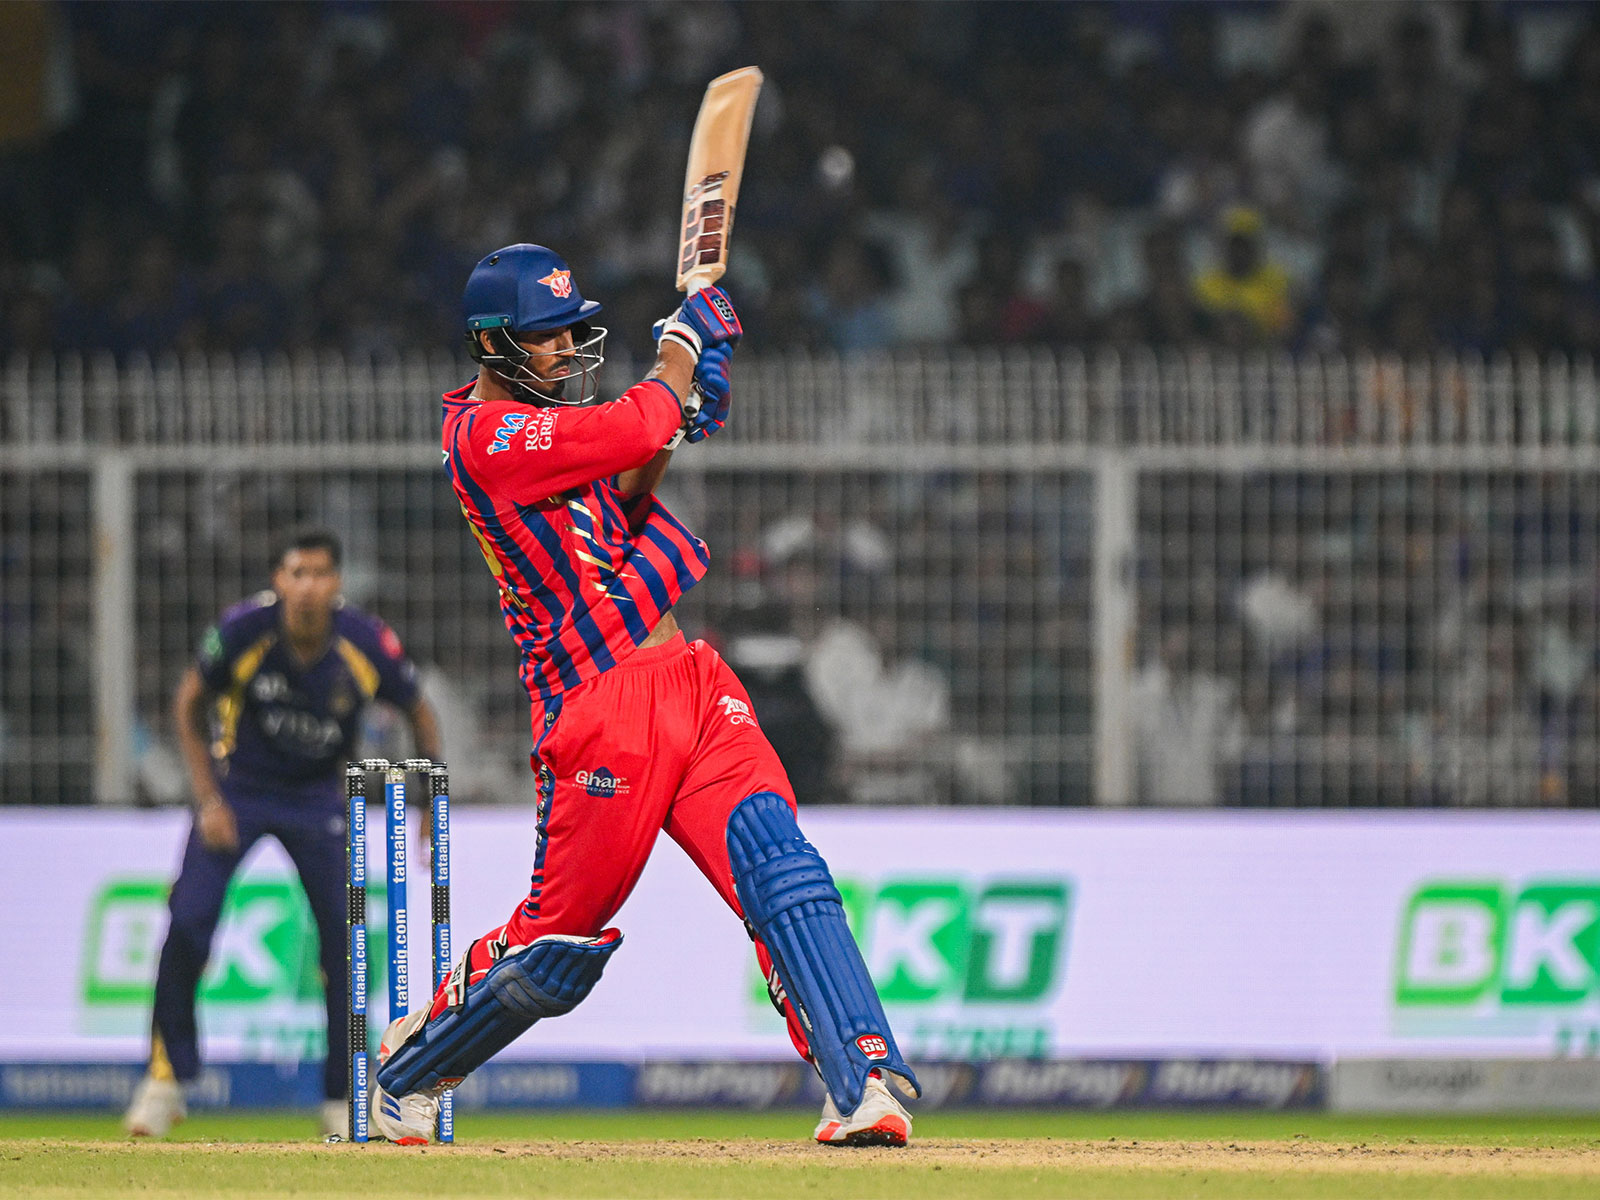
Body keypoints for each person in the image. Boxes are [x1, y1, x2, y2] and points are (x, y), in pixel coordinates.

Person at [366, 244, 919, 1147]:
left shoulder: (553, 425)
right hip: (597, 705)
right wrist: (679, 353)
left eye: (571, 332)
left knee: (784, 871)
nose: (567, 351)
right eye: (548, 339)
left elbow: (623, 484)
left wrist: (679, 416)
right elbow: (628, 427)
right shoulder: (484, 437)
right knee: (557, 950)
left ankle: (864, 1084)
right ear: (493, 345)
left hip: (690, 681)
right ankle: (414, 1069)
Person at [123, 530, 441, 1138]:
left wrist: (429, 798)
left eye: (320, 574)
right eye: (296, 574)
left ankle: (339, 1095)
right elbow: (188, 705)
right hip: (239, 789)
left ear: (337, 583)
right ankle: (165, 1080)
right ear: (278, 580)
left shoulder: (364, 642)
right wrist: (208, 797)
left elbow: (419, 710)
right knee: (188, 921)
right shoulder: (245, 630)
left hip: (321, 797)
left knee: (343, 947)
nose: (308, 587)